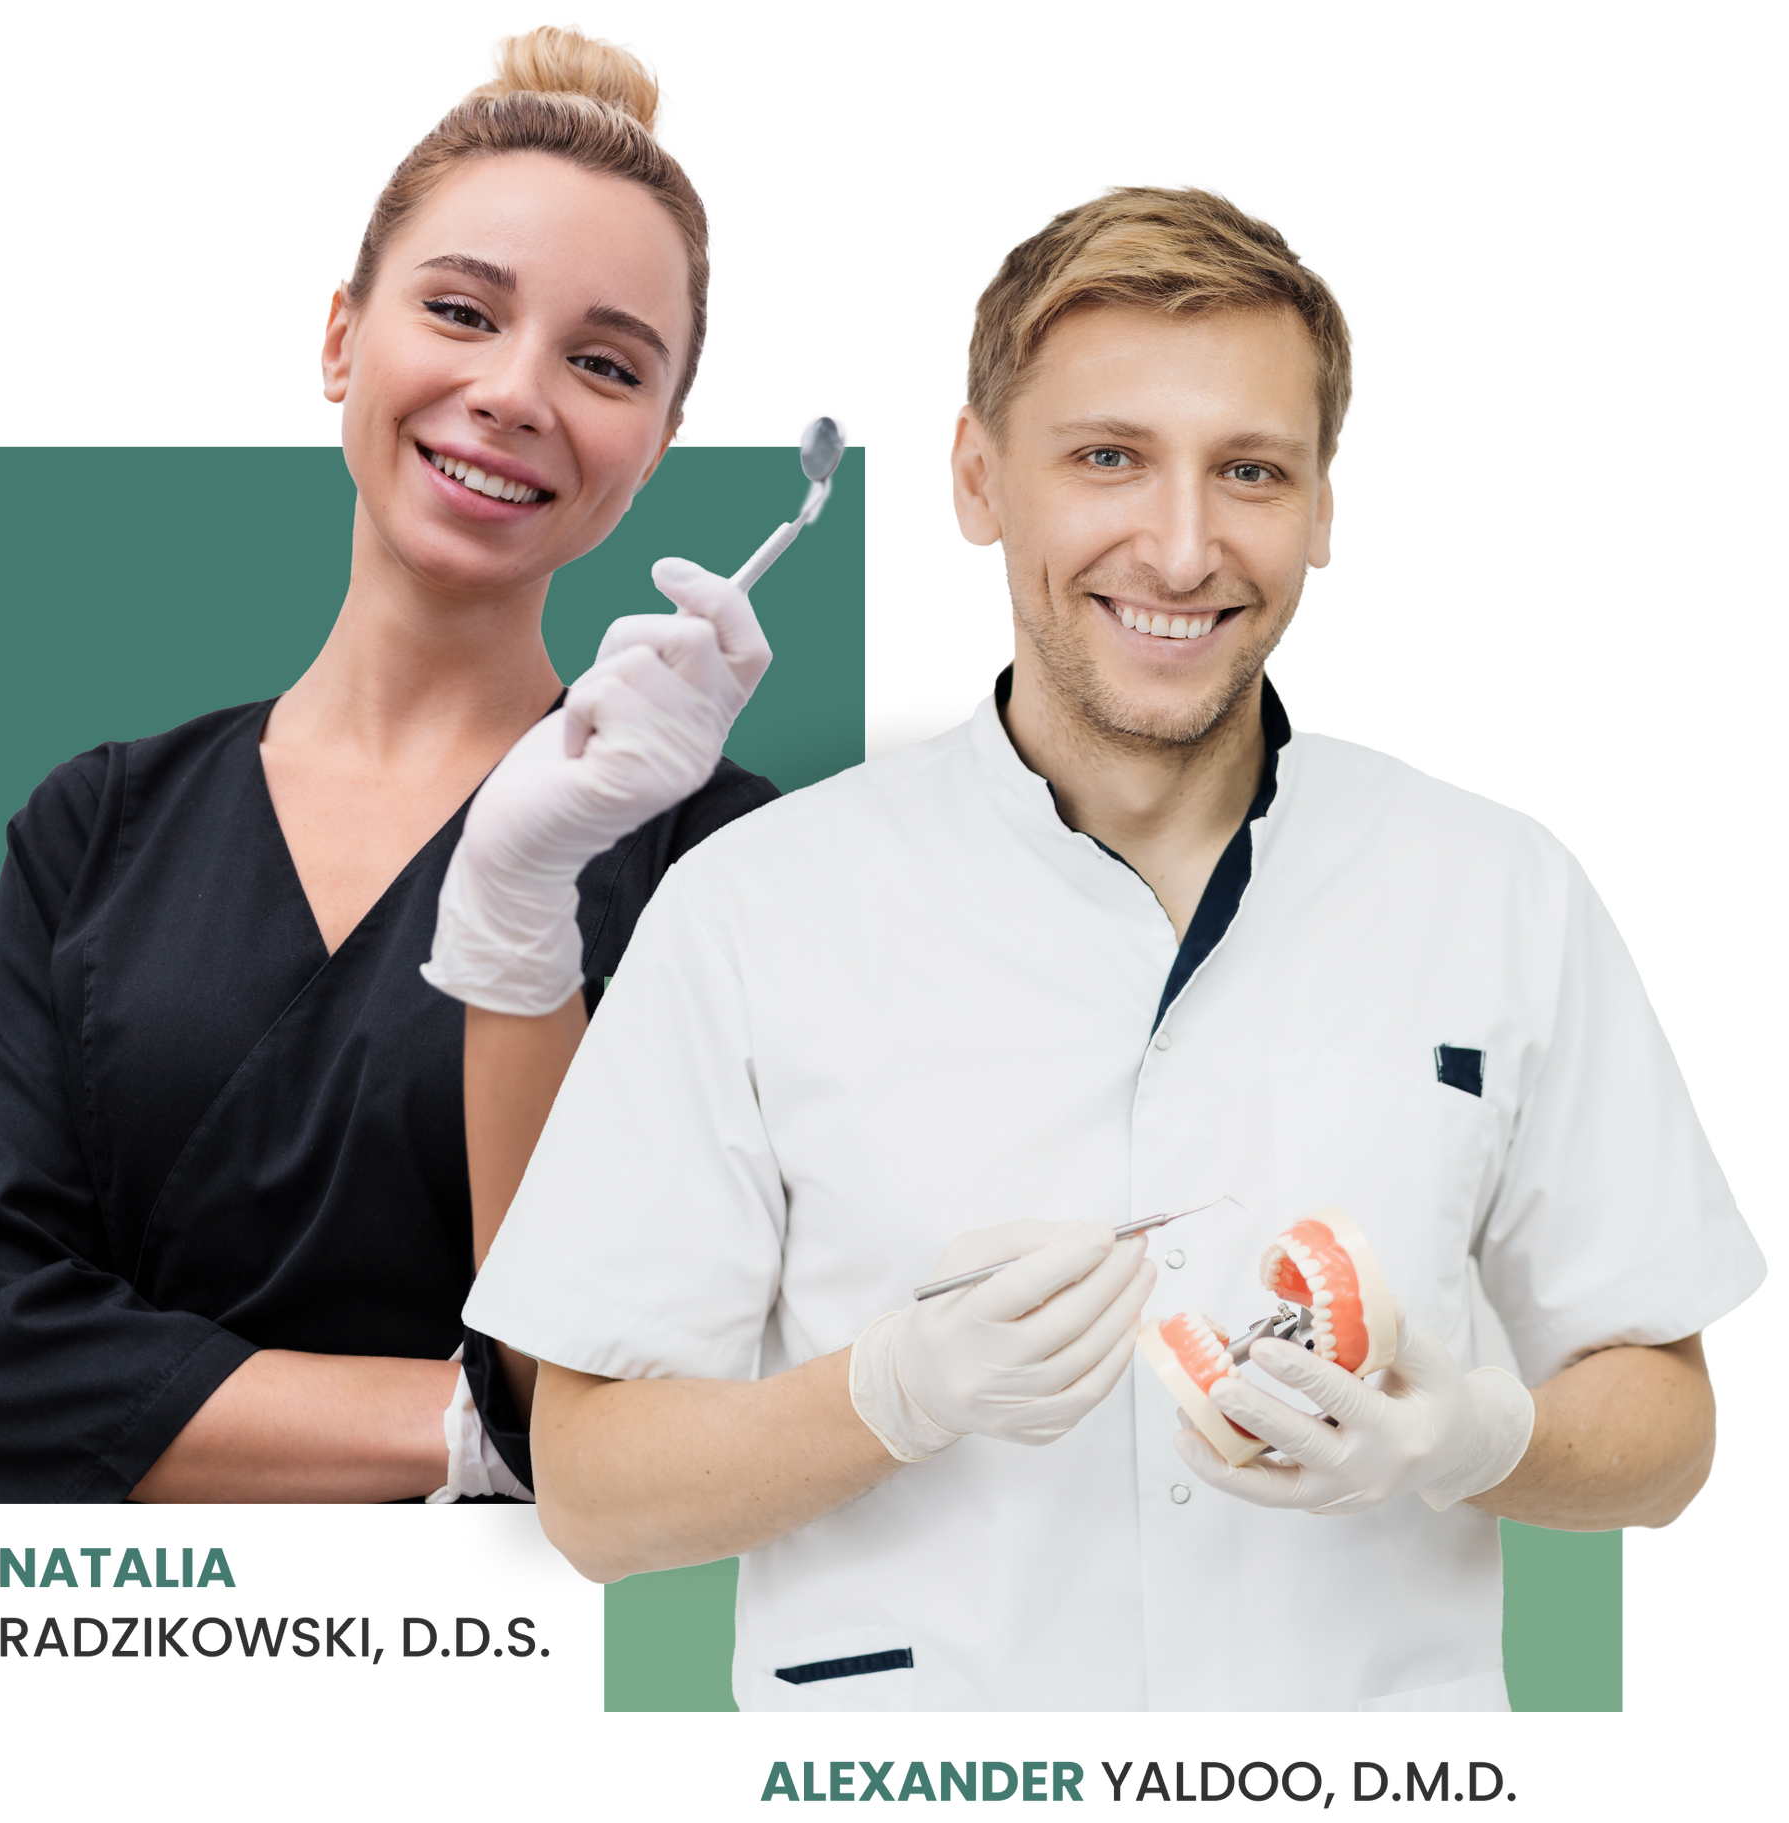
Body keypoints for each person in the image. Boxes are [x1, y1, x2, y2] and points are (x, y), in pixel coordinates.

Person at [460, 176, 1767, 1711]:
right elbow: (591, 1495)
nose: (1183, 547)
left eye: (1253, 471)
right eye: (1108, 457)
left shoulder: (1501, 890)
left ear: (1325, 512)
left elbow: (1670, 1435)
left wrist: (1480, 1434)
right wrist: (888, 1393)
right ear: (976, 477)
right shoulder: (752, 910)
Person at [0, 16, 775, 1506]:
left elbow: (651, 1378)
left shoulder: (729, 866)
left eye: (604, 363)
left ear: (660, 445)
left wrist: (528, 894)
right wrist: (471, 1433)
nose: (516, 393)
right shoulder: (97, 826)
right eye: (462, 311)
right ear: (340, 338)